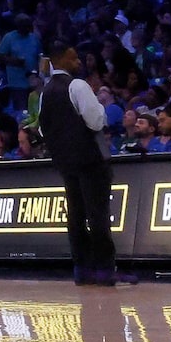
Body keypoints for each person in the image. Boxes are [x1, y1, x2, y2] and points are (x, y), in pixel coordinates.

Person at [33, 46, 125, 287]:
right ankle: (105, 270)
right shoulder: (78, 86)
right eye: (73, 57)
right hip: (91, 160)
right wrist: (102, 115)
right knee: (98, 215)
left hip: (66, 162)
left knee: (75, 215)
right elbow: (95, 121)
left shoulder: (45, 93)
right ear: (60, 59)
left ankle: (82, 269)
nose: (78, 61)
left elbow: (43, 128)